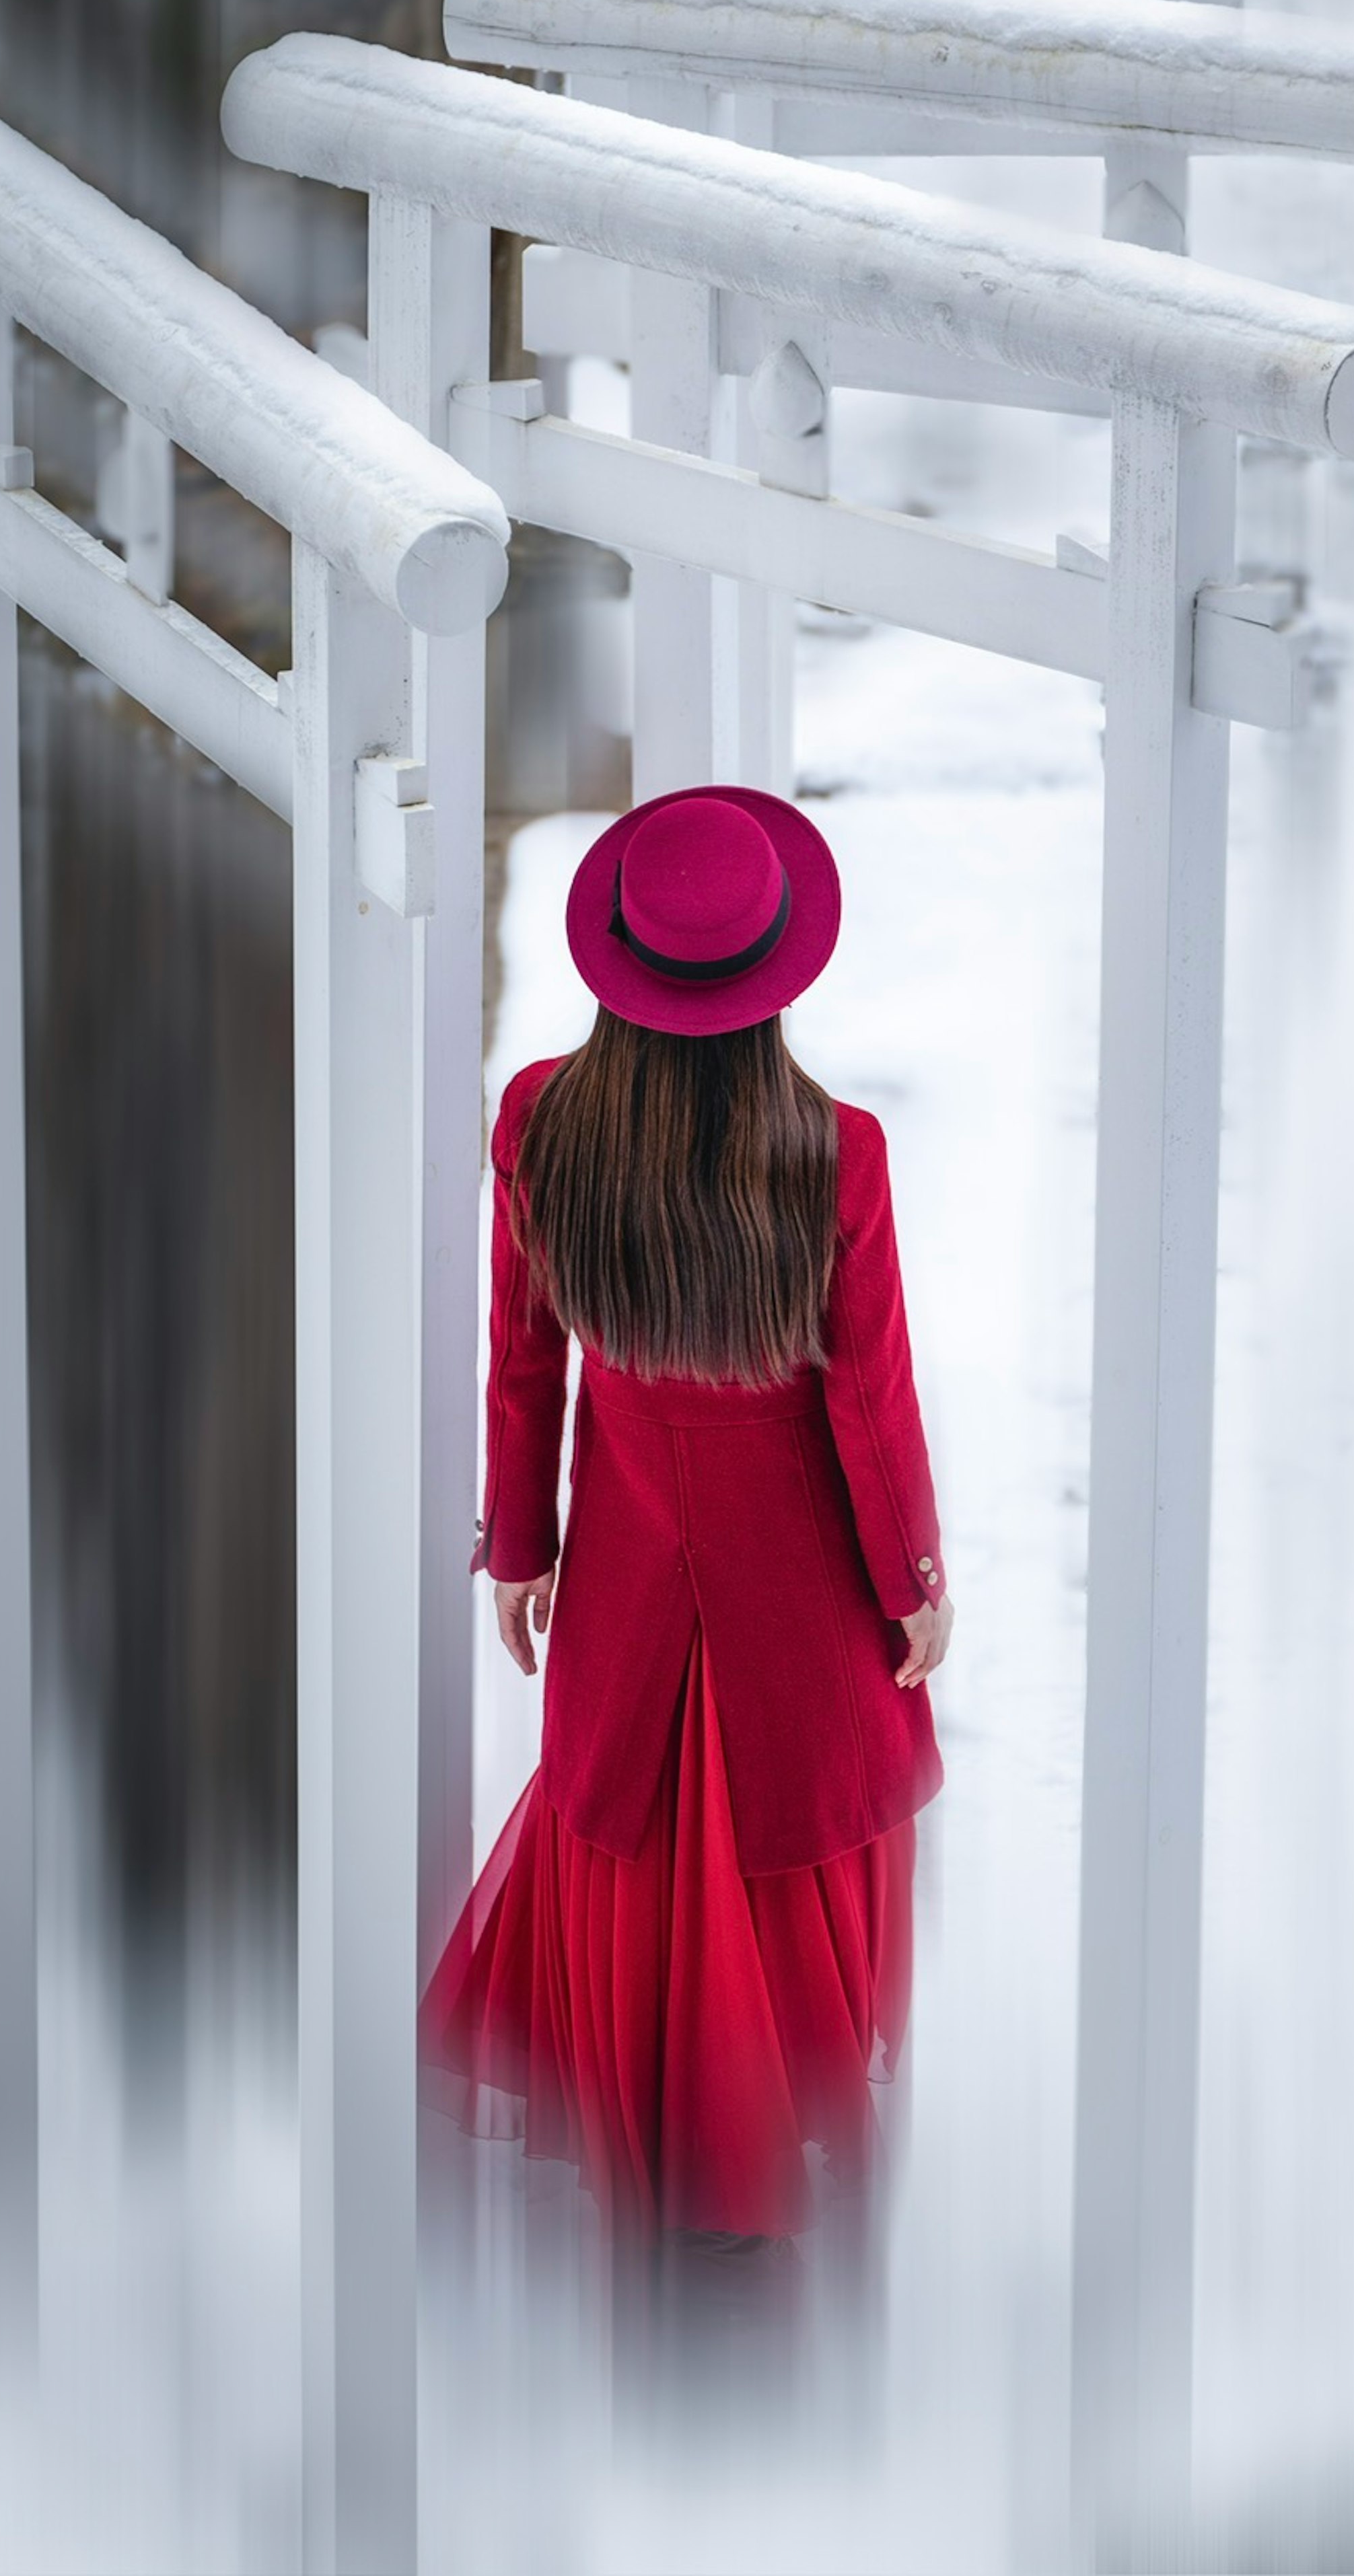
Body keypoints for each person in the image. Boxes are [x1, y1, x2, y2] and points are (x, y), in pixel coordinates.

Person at [421, 784, 951, 2331]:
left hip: (627, 1590)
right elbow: (870, 1404)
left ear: (617, 959)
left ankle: (649, 2157)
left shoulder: (540, 1122)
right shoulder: (833, 1157)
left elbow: (522, 1367)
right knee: (787, 1850)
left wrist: (520, 1546)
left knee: (633, 1841)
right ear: (780, 967)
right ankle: (775, 2175)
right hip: (804, 1608)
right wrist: (913, 1582)